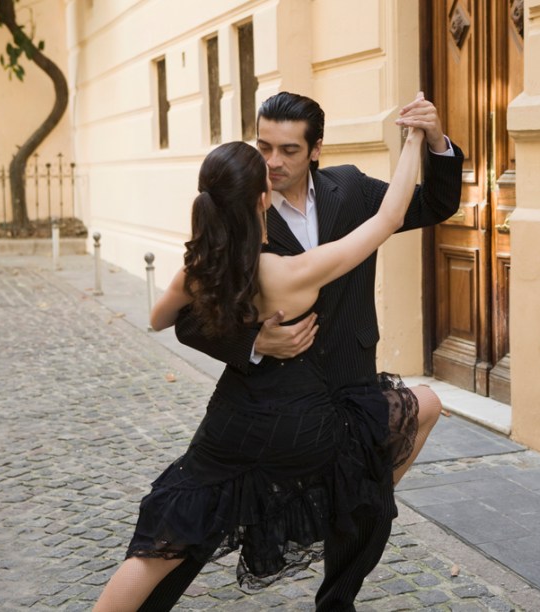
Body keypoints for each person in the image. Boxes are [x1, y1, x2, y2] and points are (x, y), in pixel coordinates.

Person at [94, 112, 450, 611]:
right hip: (299, 424)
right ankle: (348, 507)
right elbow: (389, 217)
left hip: (231, 424)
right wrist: (413, 139)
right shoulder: (288, 272)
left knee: (165, 539)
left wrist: (245, 330)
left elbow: (158, 319)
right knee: (419, 410)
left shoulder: (198, 266)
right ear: (262, 200)